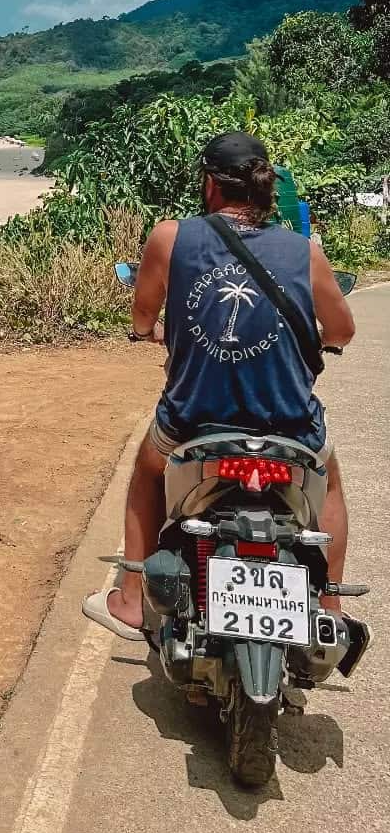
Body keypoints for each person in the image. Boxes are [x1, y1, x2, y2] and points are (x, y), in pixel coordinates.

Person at [83, 131, 356, 640]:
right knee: (330, 482)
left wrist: (151, 333)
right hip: (290, 424)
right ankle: (331, 608)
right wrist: (310, 336)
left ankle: (132, 601)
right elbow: (342, 331)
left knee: (147, 472)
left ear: (210, 184)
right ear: (266, 186)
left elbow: (142, 317)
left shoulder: (170, 237)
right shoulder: (304, 252)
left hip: (192, 420)